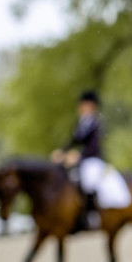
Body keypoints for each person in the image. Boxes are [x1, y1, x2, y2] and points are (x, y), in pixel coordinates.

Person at [51, 90, 105, 231]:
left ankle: (93, 216)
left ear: (91, 106)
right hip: (82, 159)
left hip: (92, 159)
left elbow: (93, 146)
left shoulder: (95, 122)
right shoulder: (81, 122)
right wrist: (62, 152)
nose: (81, 107)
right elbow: (74, 140)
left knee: (88, 182)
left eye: (84, 104)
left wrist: (79, 156)